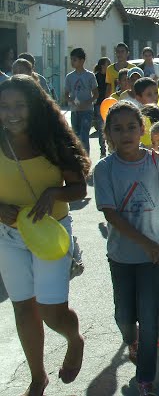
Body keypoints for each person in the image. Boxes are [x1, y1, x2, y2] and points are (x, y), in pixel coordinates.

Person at [0, 76, 89, 396]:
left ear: (34, 107)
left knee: (52, 312)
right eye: (4, 106)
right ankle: (38, 377)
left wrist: (54, 193)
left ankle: (74, 339)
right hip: (8, 236)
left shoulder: (54, 139)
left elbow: (78, 187)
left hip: (51, 236)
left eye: (19, 105)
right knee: (23, 309)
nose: (11, 113)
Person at [93, 101, 159, 396]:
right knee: (125, 318)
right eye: (118, 128)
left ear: (142, 129)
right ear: (108, 134)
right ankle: (133, 341)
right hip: (122, 257)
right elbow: (111, 215)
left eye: (131, 127)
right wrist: (146, 243)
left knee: (149, 320)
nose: (125, 133)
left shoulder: (156, 160)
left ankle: (146, 379)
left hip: (154, 259)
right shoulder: (104, 169)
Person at [64, 48, 99, 155]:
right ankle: (78, 158)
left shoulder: (90, 76)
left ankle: (86, 158)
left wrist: (87, 102)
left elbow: (96, 94)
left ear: (82, 61)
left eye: (74, 59)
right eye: (71, 59)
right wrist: (71, 101)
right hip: (75, 111)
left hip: (87, 111)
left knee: (84, 135)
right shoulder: (69, 77)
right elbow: (66, 95)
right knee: (75, 136)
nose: (72, 62)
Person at [94, 57, 111, 156]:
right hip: (99, 104)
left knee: (109, 127)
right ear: (102, 66)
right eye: (107, 64)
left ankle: (110, 148)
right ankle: (102, 150)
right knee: (101, 128)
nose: (109, 65)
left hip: (109, 103)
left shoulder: (110, 76)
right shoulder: (96, 76)